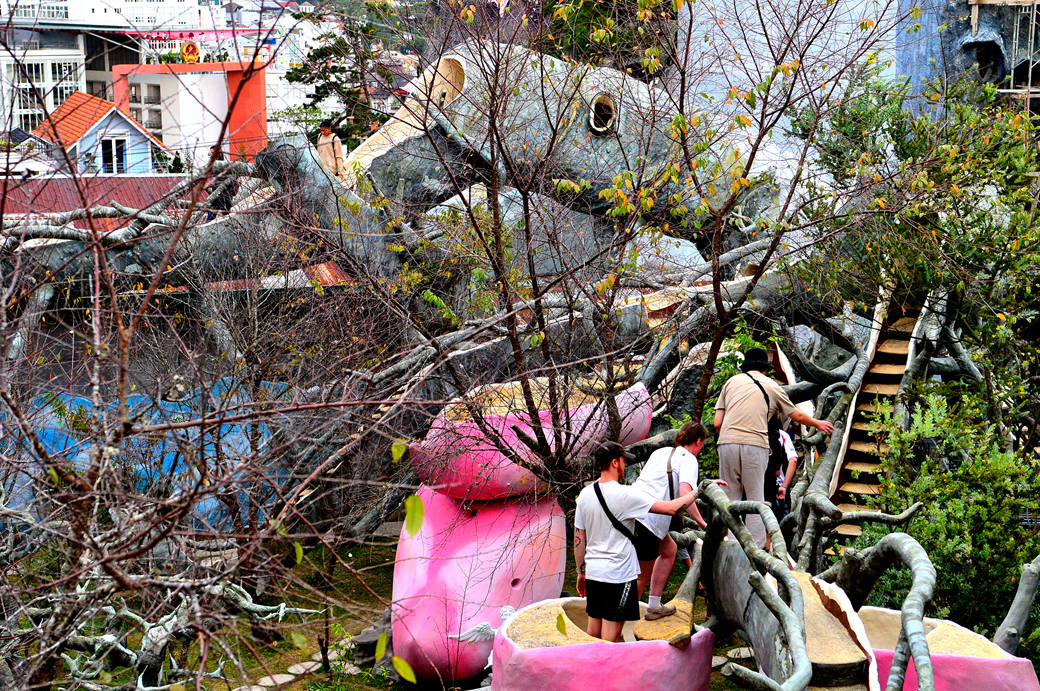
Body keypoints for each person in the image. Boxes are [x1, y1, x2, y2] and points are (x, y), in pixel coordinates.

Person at [574, 441, 698, 642]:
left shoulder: (585, 495)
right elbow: (671, 508)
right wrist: (698, 491)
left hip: (594, 573)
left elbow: (579, 538)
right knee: (610, 639)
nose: (625, 465)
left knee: (593, 634)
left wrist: (581, 572)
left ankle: (587, 663)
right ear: (614, 462)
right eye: (623, 461)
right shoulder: (626, 494)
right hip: (618, 575)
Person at [713, 348, 834, 547]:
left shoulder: (731, 383)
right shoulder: (772, 386)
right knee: (756, 499)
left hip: (727, 444)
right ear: (765, 368)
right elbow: (797, 415)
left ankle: (731, 546)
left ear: (746, 367)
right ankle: (756, 549)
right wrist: (818, 423)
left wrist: (731, 439)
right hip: (755, 446)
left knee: (731, 497)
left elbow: (717, 423)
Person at [630, 421, 716, 620]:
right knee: (642, 576)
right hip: (649, 519)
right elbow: (687, 494)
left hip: (631, 509)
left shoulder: (661, 452)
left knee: (669, 549)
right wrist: (702, 523)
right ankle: (623, 623)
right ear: (699, 441)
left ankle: (653, 605)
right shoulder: (689, 459)